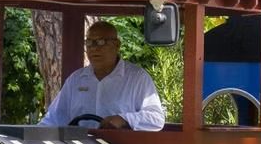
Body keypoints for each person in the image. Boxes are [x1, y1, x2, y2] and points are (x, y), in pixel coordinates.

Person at [37, 20, 166, 131]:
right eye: (89, 42)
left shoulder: (137, 78)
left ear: (117, 45)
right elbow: (54, 118)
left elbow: (156, 119)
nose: (93, 48)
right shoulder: (76, 80)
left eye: (100, 42)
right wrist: (32, 138)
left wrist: (124, 119)